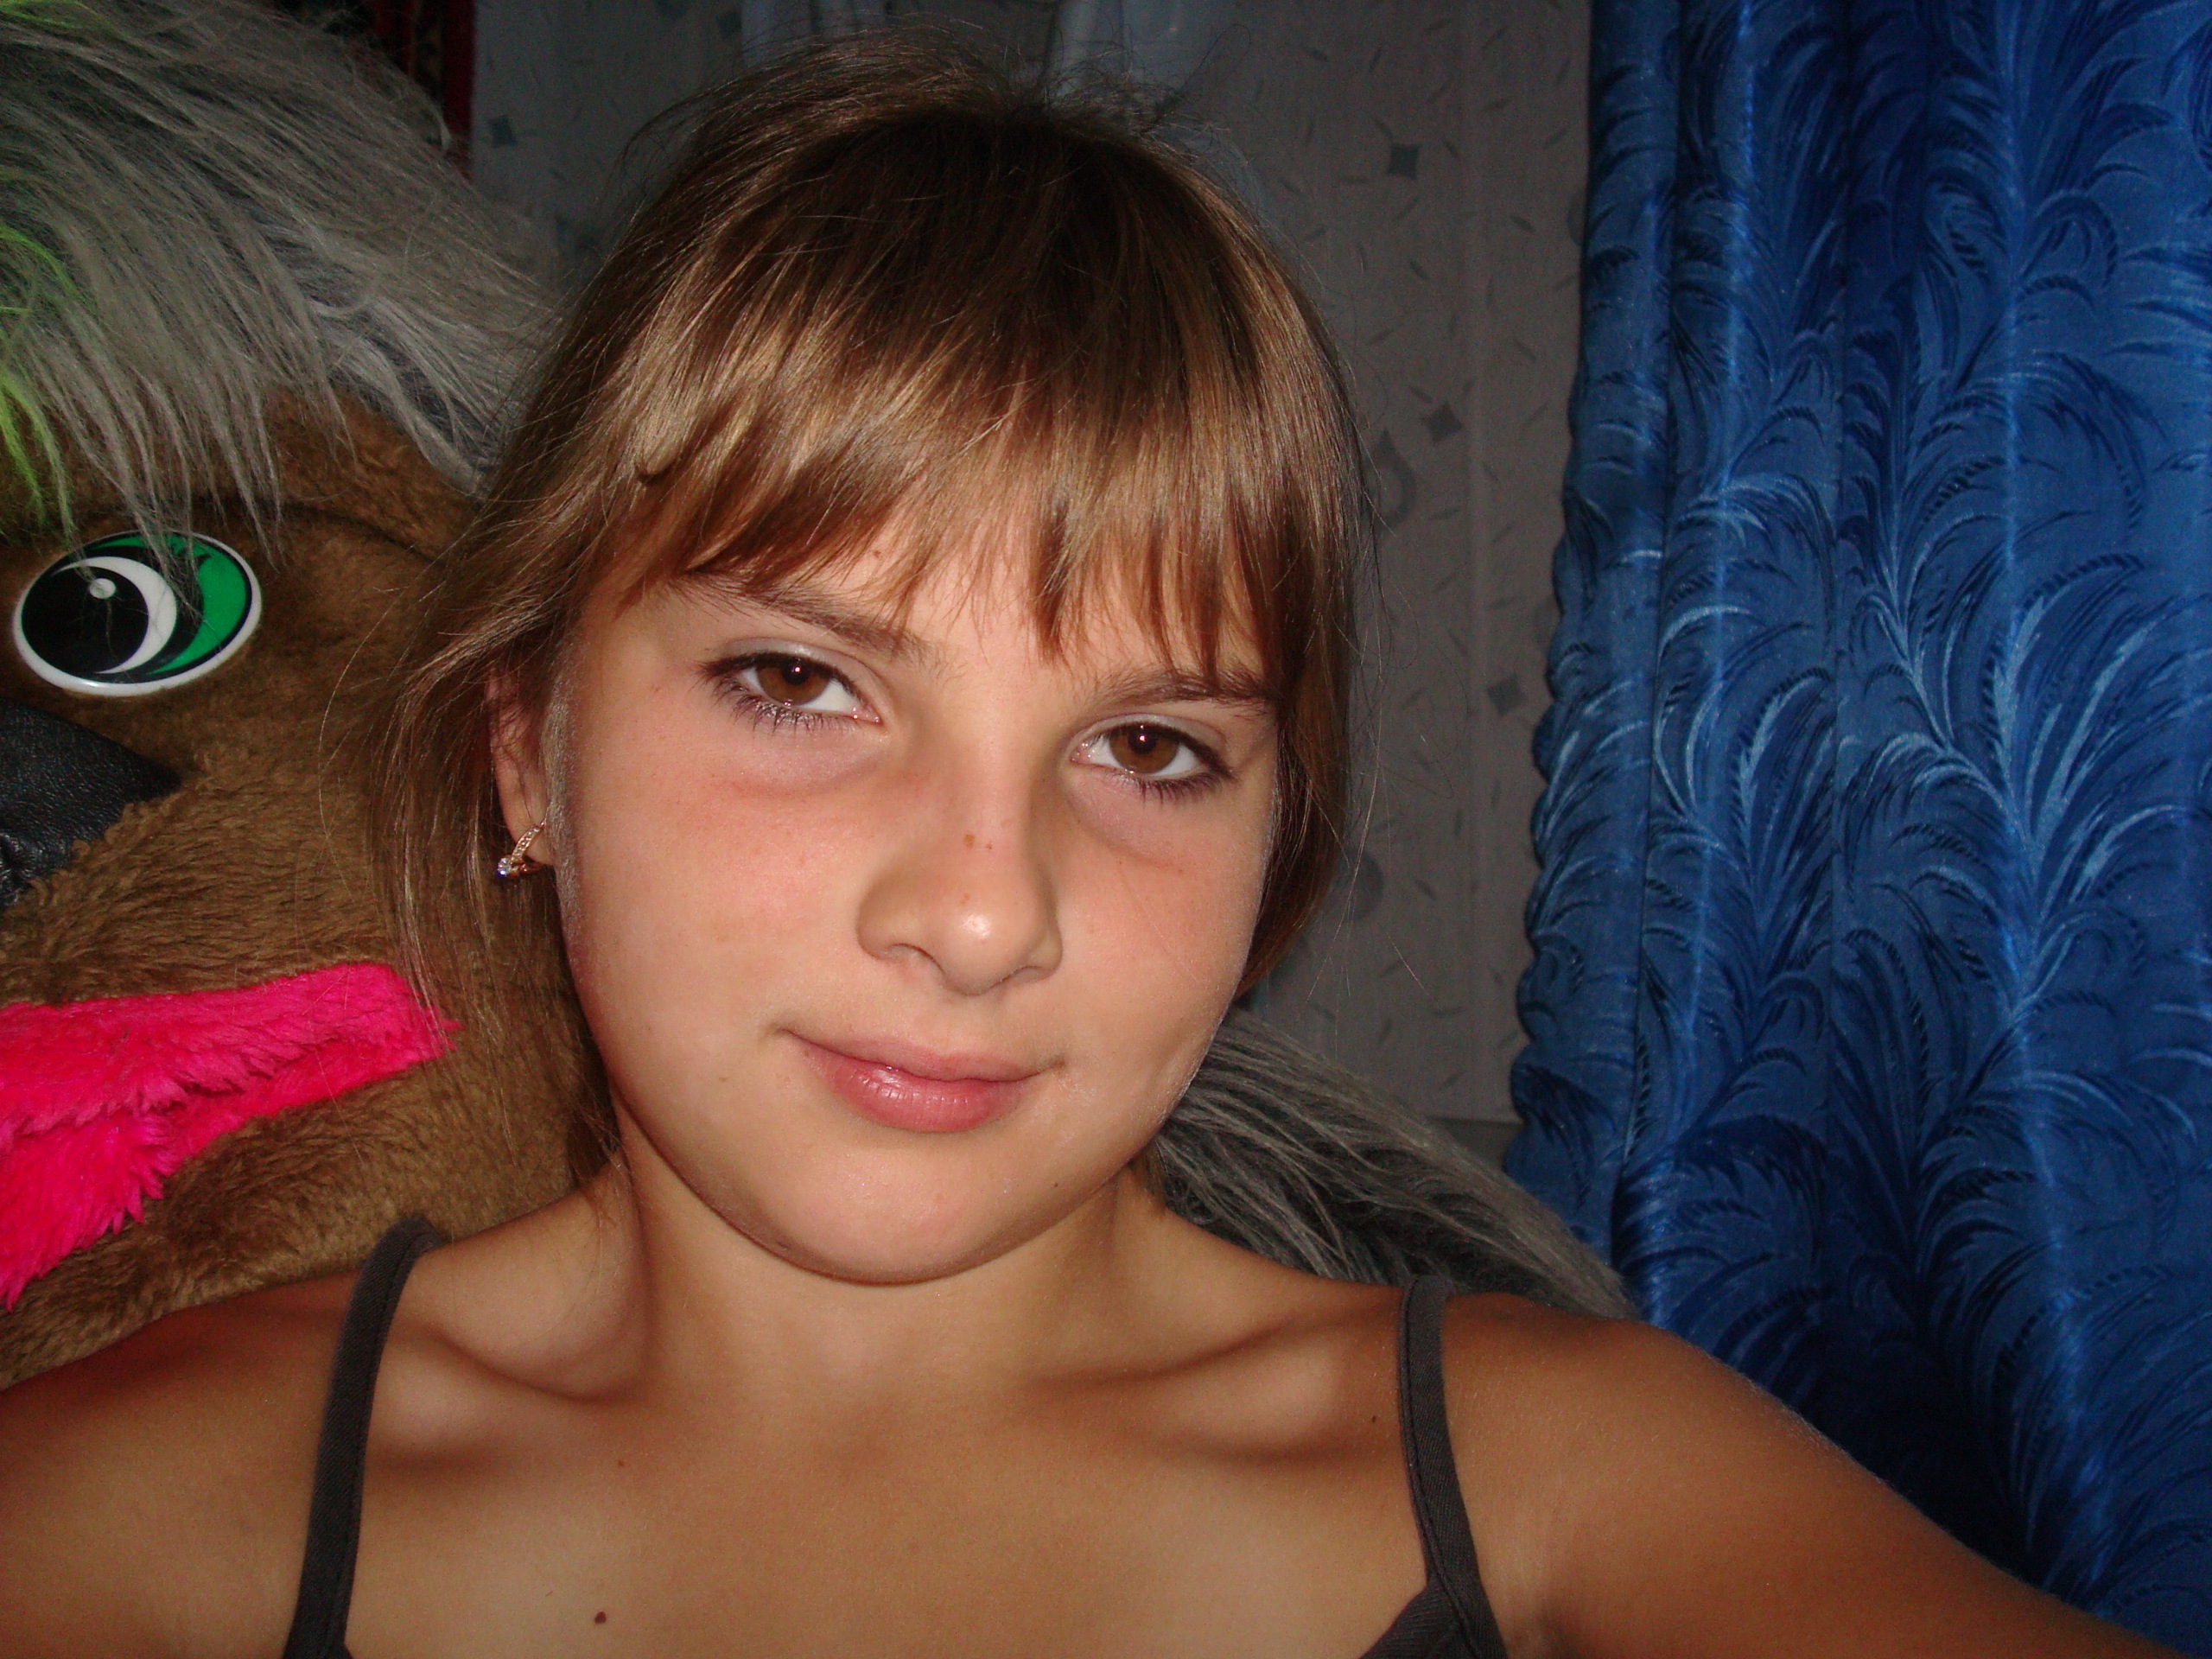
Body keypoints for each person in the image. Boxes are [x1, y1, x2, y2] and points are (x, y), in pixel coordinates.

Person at [0, 33, 2179, 1659]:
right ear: (524, 759)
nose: (979, 911)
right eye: (798, 683)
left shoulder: (1570, 1490)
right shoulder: (141, 1498)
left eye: (1144, 745)